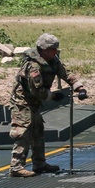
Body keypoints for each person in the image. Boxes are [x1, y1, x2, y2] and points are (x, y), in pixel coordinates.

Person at [9, 33, 86, 177]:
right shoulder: (33, 66)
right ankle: (16, 167)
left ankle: (39, 163)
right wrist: (53, 96)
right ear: (43, 50)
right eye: (52, 49)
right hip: (23, 102)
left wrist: (79, 87)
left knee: (38, 131)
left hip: (35, 102)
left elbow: (65, 73)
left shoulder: (53, 60)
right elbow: (36, 90)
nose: (55, 52)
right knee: (23, 131)